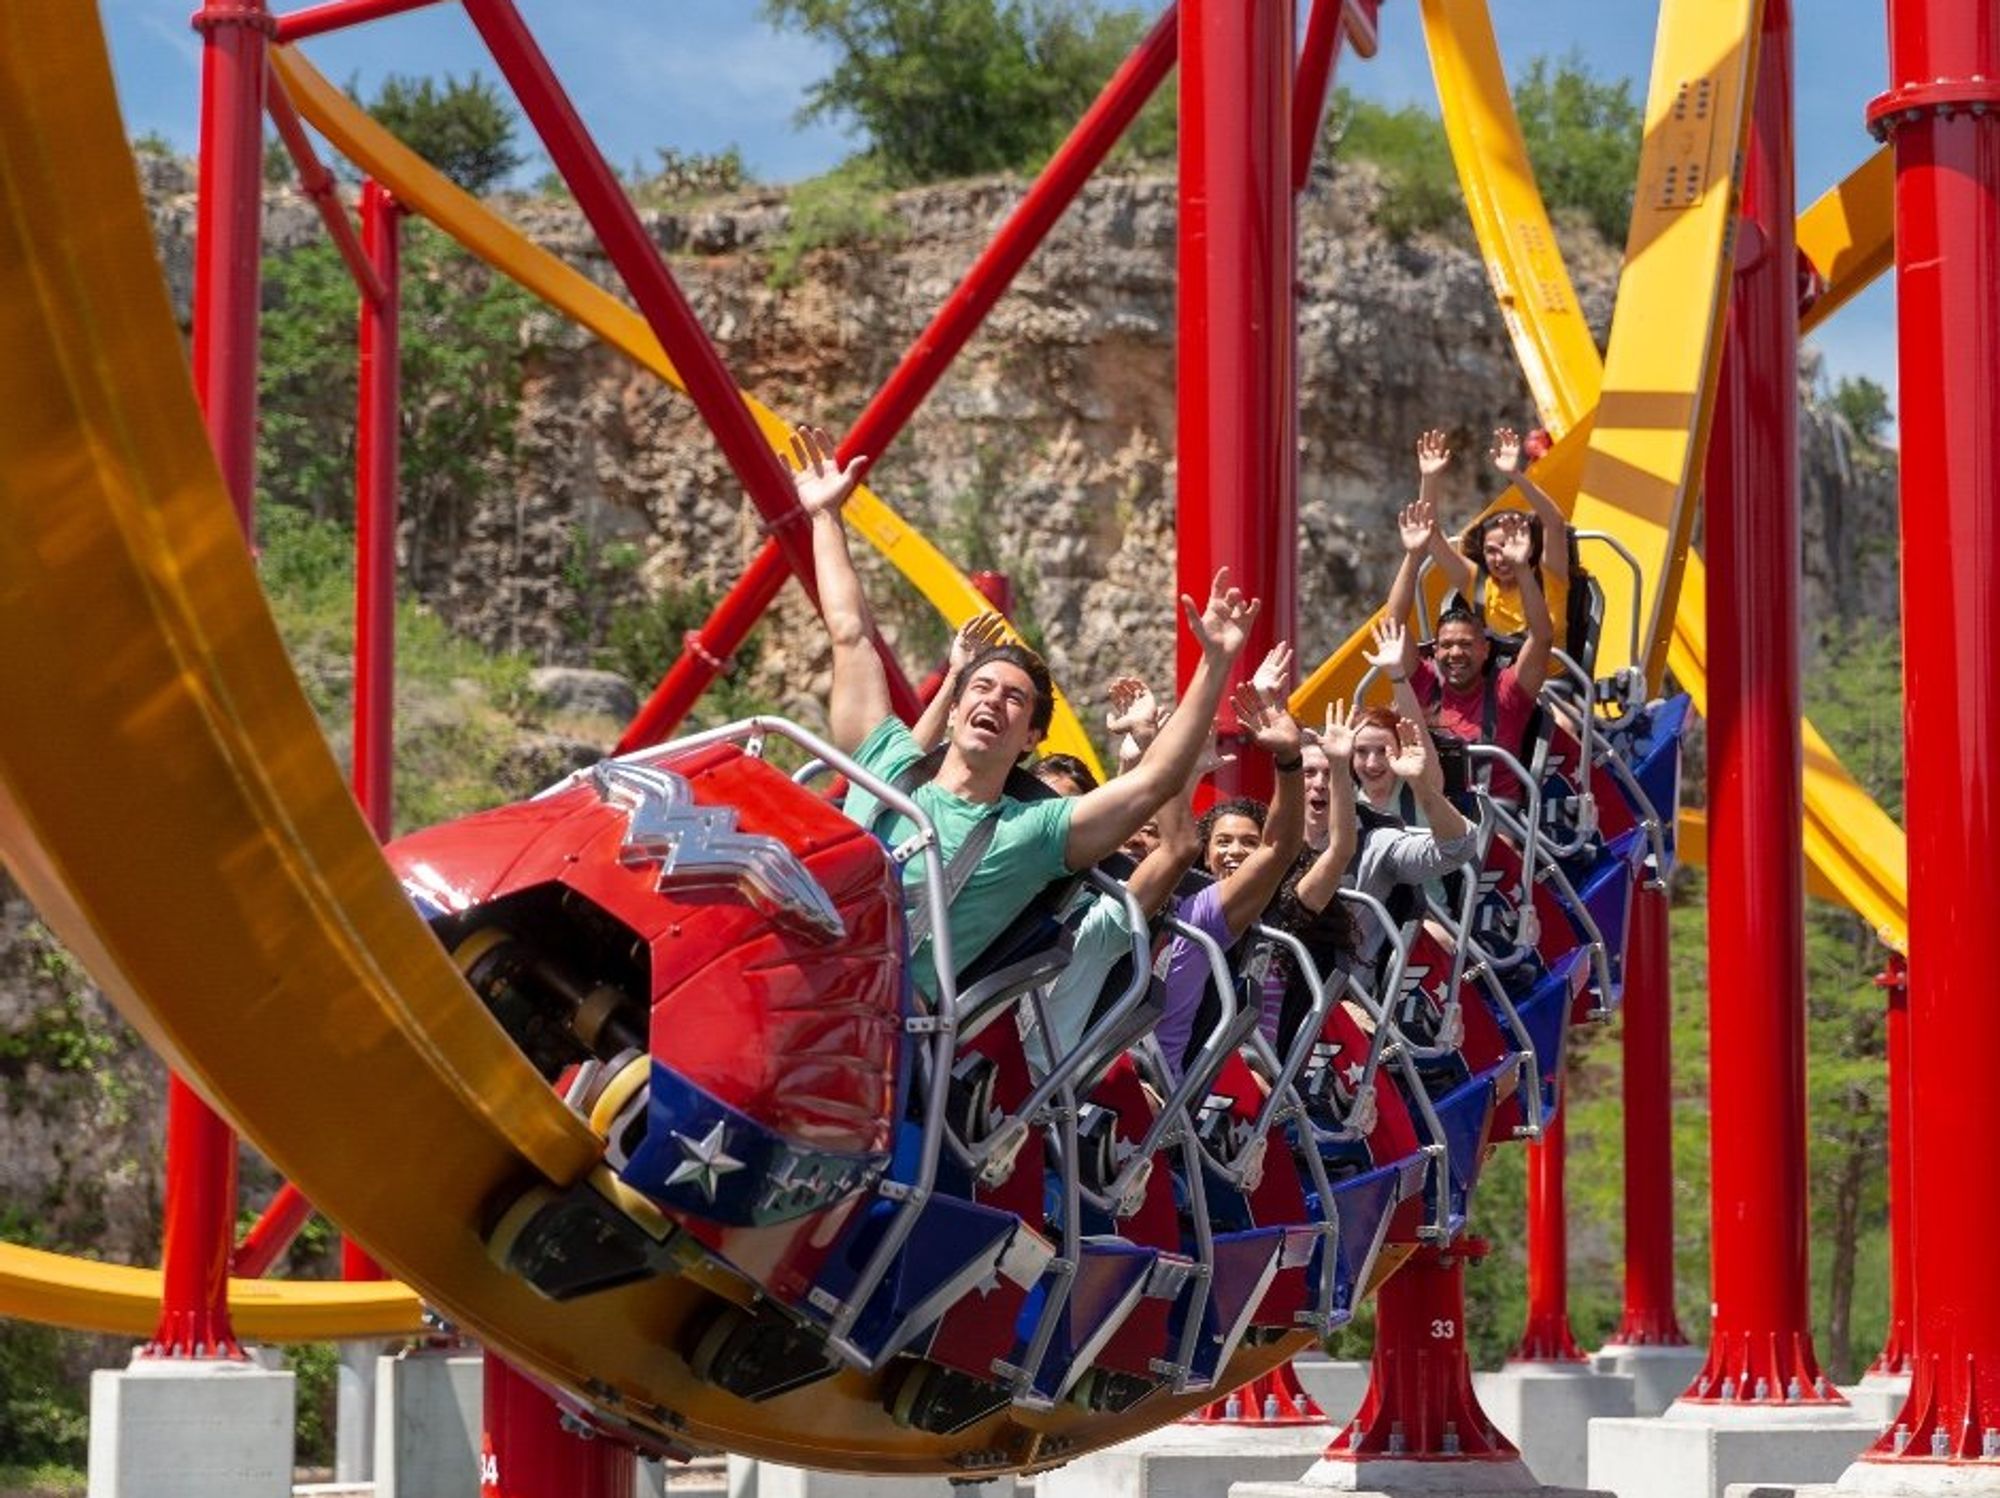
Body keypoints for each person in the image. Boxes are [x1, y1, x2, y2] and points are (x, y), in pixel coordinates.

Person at [789, 422, 1256, 996]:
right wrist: (824, 517)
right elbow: (850, 634)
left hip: (876, 1020)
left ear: (1031, 736)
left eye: (1014, 698)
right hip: (789, 962)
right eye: (982, 688)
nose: (993, 701)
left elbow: (1156, 783)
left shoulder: (1031, 832)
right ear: (955, 709)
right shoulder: (888, 759)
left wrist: (1213, 665)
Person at [1151, 648, 1307, 1079]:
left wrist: (1290, 760)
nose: (1234, 852)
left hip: (1153, 1094)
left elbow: (1279, 848)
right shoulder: (1107, 908)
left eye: (1245, 842)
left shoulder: (1194, 918)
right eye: (1223, 842)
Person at [1385, 496, 1553, 801]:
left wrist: (1522, 569)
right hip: (1427, 812)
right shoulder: (1423, 681)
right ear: (1435, 651)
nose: (1455, 653)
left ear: (1485, 650)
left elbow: (1541, 638)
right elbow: (1392, 626)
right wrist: (1413, 556)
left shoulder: (1508, 692)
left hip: (1493, 817)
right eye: (1446, 645)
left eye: (1465, 645)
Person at [1414, 428, 1572, 641]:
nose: (1500, 558)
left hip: (1550, 673)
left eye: (1508, 546)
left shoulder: (1550, 576)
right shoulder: (1477, 584)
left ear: (1529, 546)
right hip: (1499, 672)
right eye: (1491, 551)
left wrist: (1515, 475)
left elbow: (1554, 524)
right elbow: (1431, 536)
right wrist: (1429, 478)